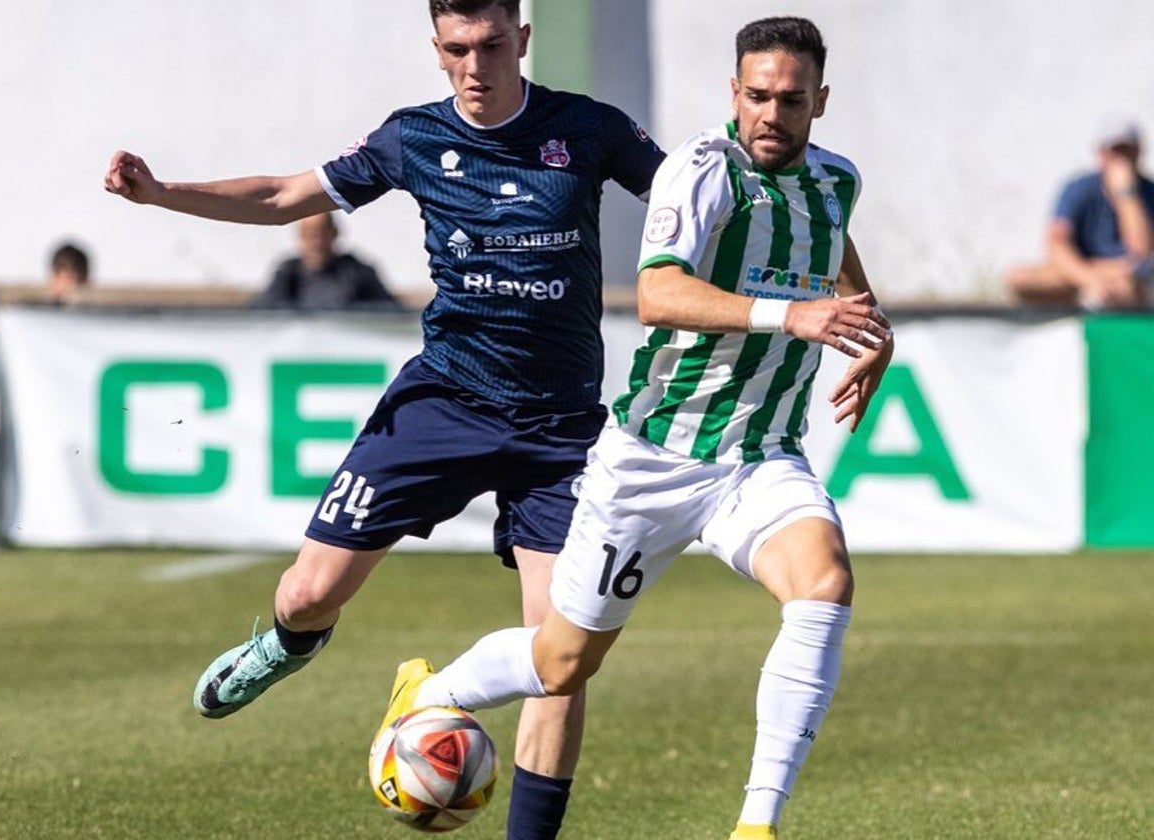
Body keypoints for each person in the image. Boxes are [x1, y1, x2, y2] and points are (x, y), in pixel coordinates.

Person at [102, 2, 664, 838]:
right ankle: (290, 645)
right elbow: (287, 194)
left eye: (492, 44)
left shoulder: (589, 130)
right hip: (444, 402)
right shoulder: (413, 139)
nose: (476, 65)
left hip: (560, 431)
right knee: (306, 593)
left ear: (524, 38)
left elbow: (703, 197)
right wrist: (160, 193)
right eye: (457, 49)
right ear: (437, 49)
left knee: (559, 657)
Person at [379, 16, 893, 840]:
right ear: (734, 93)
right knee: (561, 662)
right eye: (756, 96)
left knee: (824, 584)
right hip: (654, 458)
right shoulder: (701, 171)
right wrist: (793, 315)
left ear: (818, 102)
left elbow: (830, 248)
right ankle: (431, 692)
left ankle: (756, 827)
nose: (771, 113)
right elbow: (657, 293)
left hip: (756, 458)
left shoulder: (836, 182)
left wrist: (873, 329)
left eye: (790, 100)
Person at [1006, 117, 1154, 309]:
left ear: (1138, 152)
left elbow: (1140, 253)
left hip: (1129, 278)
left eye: (1126, 150)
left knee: (1126, 290)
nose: (1119, 158)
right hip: (1083, 272)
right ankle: (1087, 297)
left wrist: (1126, 196)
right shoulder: (1078, 189)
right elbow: (1056, 243)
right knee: (1020, 278)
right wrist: (1089, 278)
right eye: (1114, 150)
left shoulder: (1148, 192)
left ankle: (1095, 300)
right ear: (1101, 153)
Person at [254, 211, 400, 309]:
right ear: (301, 237)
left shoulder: (358, 273)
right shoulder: (287, 273)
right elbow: (264, 311)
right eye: (311, 235)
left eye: (323, 234)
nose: (317, 242)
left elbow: (389, 312)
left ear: (335, 234)